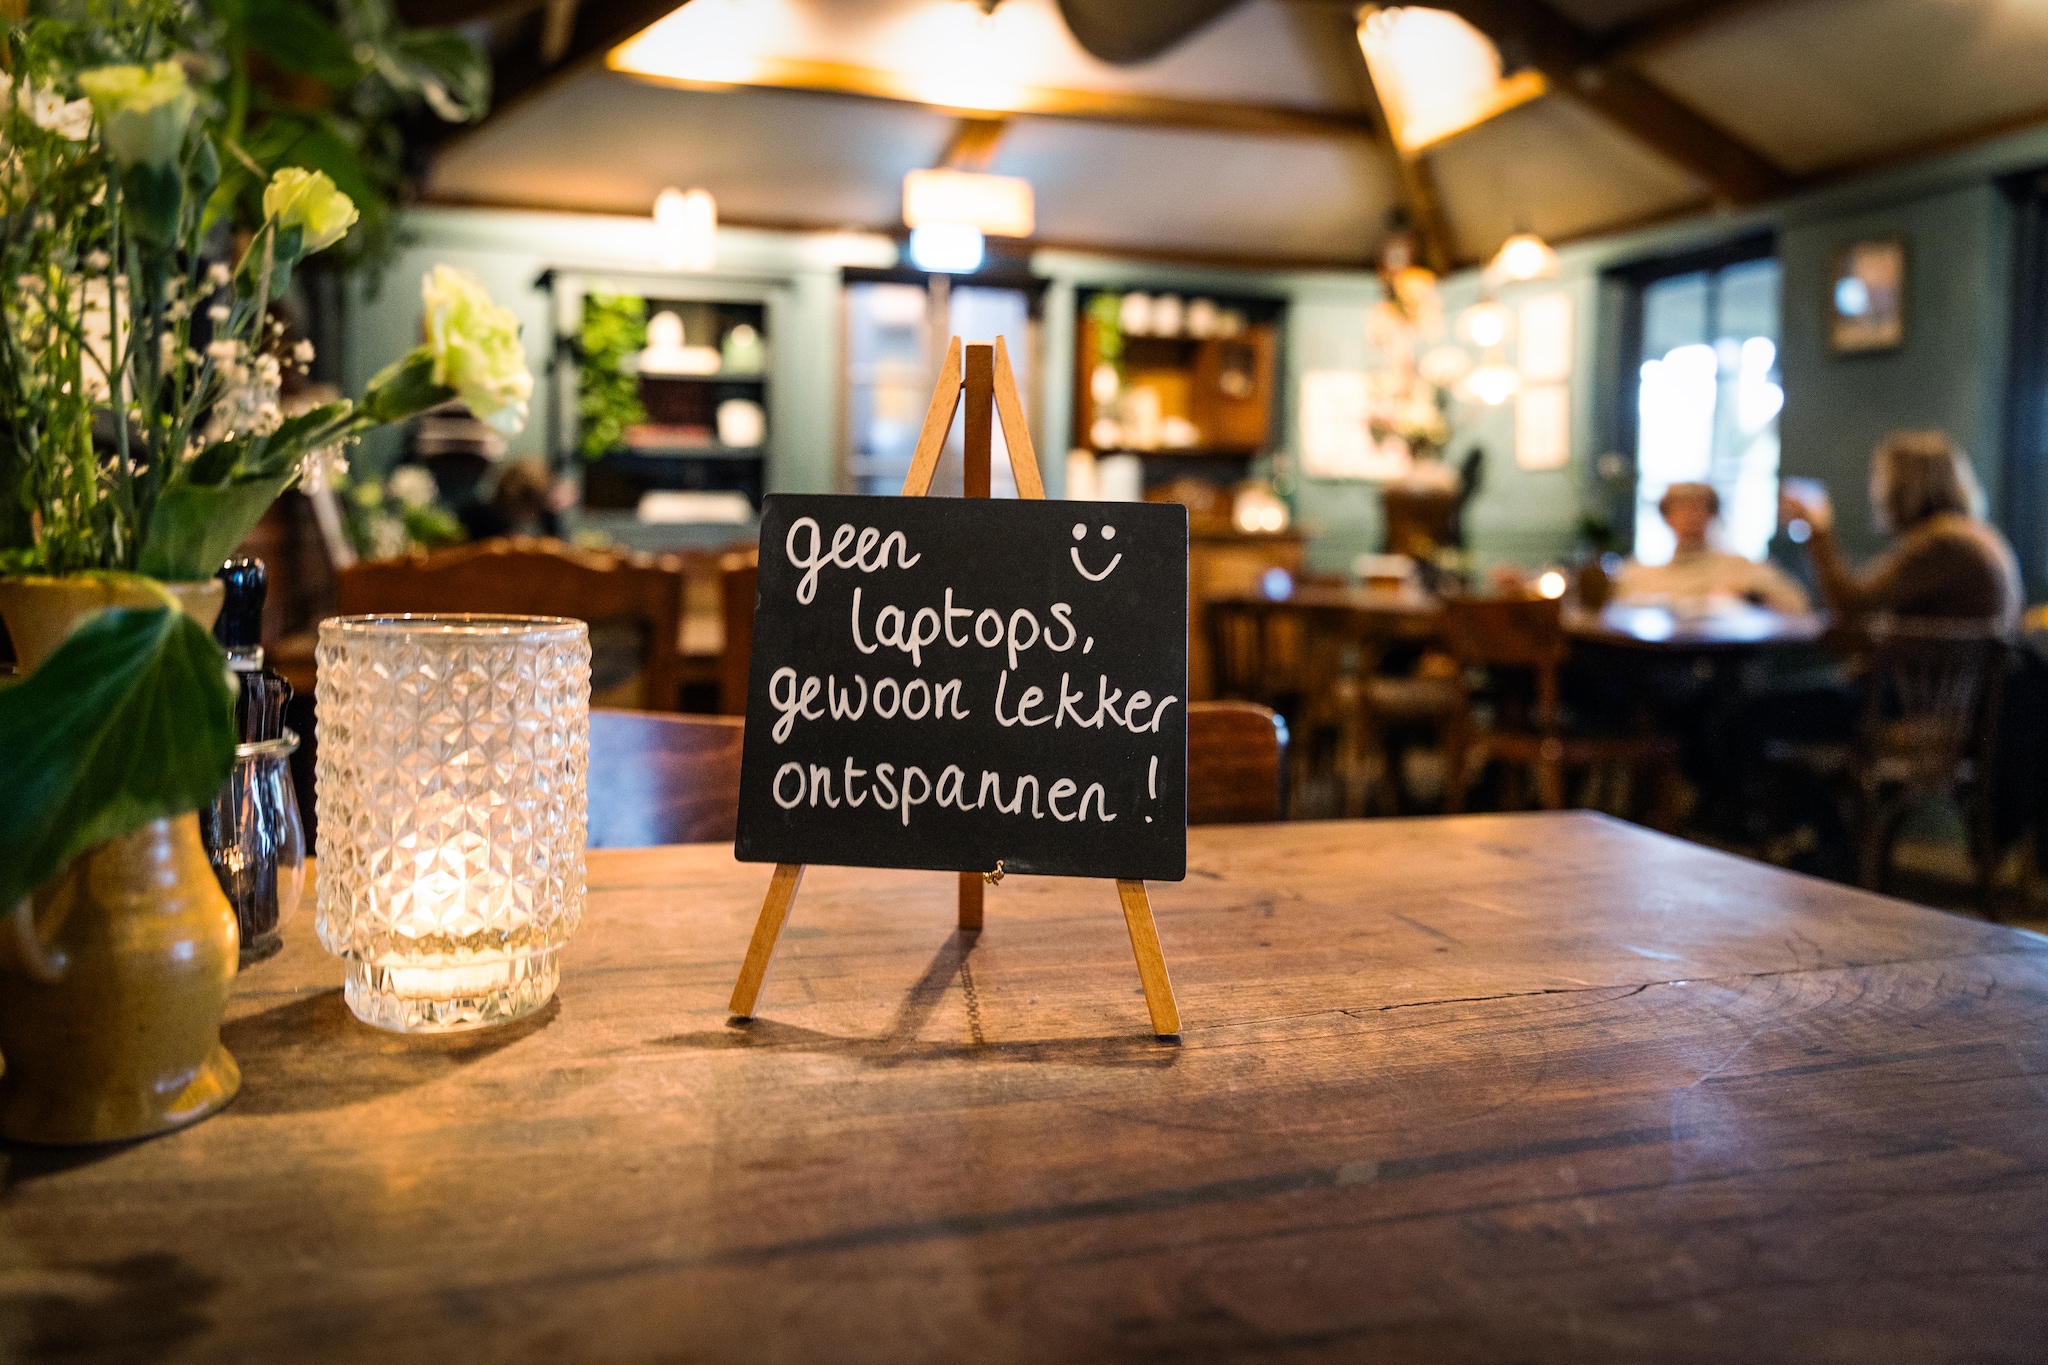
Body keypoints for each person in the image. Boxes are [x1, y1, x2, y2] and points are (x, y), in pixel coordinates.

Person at [1779, 430, 2021, 629]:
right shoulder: (1974, 534)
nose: (1876, 492)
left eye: (1881, 477)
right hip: (1954, 685)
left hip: (1925, 686)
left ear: (1905, 486)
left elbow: (1851, 605)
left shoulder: (1942, 544)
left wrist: (1818, 527)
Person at [1614, 482, 1810, 612]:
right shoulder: (1637, 573)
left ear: (1712, 514)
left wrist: (1750, 597)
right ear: (1666, 517)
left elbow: (1798, 604)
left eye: (1698, 508)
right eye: (1681, 509)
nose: (1690, 518)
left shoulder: (1742, 568)